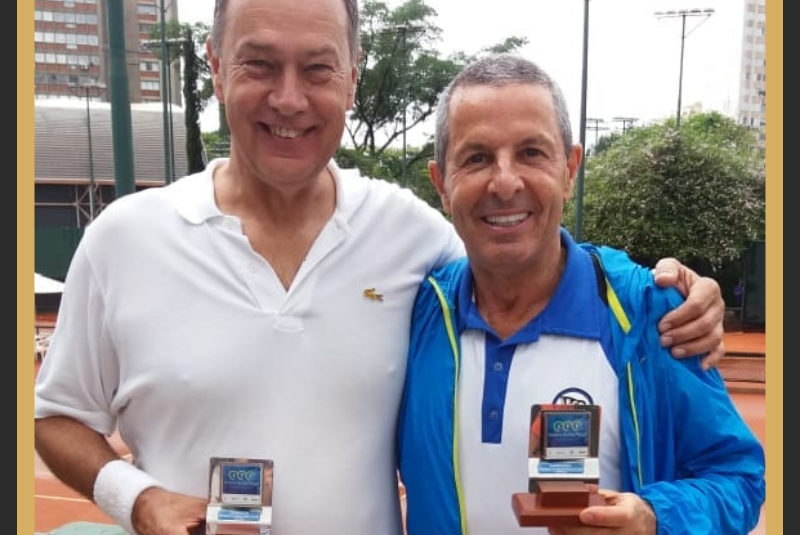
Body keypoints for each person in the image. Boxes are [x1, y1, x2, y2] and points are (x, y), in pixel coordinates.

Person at [33, 1, 727, 534]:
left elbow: (525, 253)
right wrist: (138, 498)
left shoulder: (414, 238)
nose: (288, 98)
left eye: (317, 68)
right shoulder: (124, 239)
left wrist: (666, 291)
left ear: (352, 78)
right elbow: (54, 416)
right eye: (259, 64)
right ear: (215, 65)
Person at [397, 54, 765, 534]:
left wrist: (655, 518)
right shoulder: (416, 312)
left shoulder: (651, 316)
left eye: (531, 152)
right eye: (477, 158)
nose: (505, 182)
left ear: (570, 169)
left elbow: (739, 479)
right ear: (441, 184)